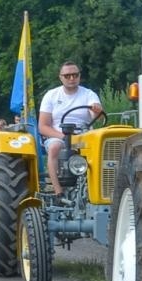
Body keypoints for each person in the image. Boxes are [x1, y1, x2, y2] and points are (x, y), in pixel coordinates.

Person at [38, 61, 104, 196]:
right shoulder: (51, 95)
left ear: (79, 76)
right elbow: (43, 126)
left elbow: (96, 114)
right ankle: (58, 190)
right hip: (59, 135)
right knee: (54, 147)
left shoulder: (89, 94)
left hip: (83, 135)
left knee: (101, 149)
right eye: (67, 76)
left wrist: (97, 111)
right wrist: (63, 137)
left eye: (75, 75)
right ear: (60, 77)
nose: (72, 79)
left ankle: (98, 189)